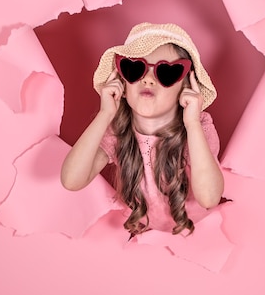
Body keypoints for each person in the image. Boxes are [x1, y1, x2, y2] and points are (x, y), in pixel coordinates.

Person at [61, 22, 223, 237]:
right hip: (143, 236)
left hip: (197, 235)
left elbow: (210, 197)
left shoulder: (198, 127)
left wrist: (191, 123)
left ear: (186, 88)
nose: (148, 78)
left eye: (166, 72)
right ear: (122, 83)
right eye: (135, 68)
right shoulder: (117, 131)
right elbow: (72, 180)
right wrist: (105, 114)